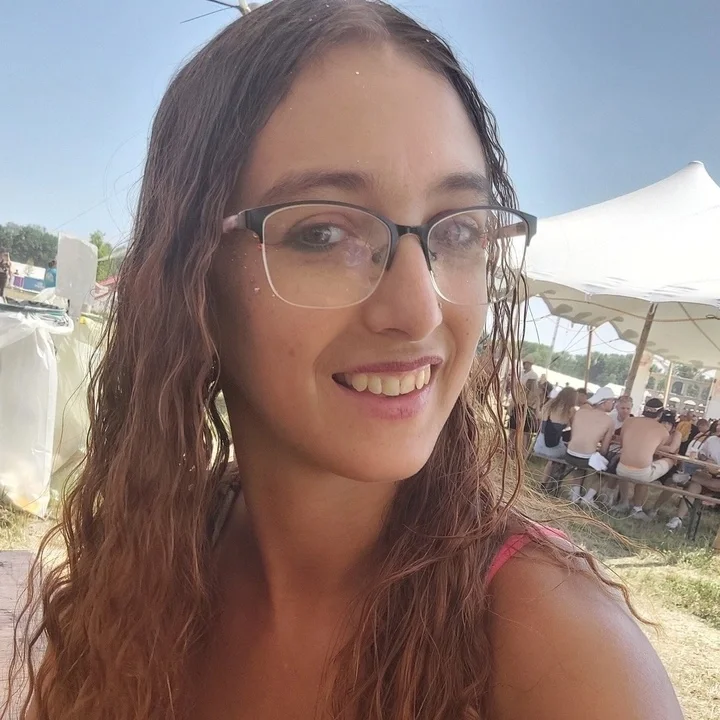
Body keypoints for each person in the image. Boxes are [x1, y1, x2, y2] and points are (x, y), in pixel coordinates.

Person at [8, 3, 682, 719]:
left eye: (458, 231)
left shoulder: (561, 654)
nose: (420, 311)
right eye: (324, 233)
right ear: (190, 274)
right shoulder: (145, 563)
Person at [614, 399, 677, 518]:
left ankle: (623, 502)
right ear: (660, 414)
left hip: (621, 468)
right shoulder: (663, 431)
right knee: (667, 462)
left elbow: (622, 444)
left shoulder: (629, 421)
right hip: (642, 472)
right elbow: (656, 450)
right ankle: (637, 509)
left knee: (633, 470)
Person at [564, 386, 617, 505]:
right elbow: (604, 449)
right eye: (612, 401)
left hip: (570, 454)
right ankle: (588, 498)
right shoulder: (609, 421)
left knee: (579, 466)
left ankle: (575, 495)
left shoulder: (580, 412)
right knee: (606, 470)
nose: (613, 404)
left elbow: (574, 434)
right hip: (585, 458)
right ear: (605, 402)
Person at [665, 421, 720, 531]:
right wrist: (706, 460)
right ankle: (678, 519)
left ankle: (688, 477)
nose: (718, 427)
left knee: (716, 483)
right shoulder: (711, 440)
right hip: (708, 476)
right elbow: (701, 454)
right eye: (718, 424)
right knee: (694, 486)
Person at [533, 386, 577, 491]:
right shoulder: (570, 410)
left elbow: (539, 417)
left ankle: (544, 483)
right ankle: (555, 484)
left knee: (552, 460)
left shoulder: (549, 403)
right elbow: (574, 428)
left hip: (539, 445)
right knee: (568, 456)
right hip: (553, 448)